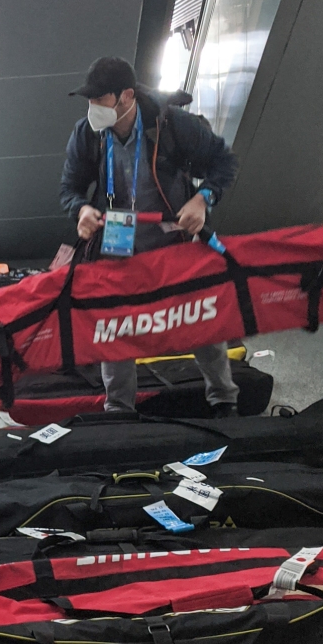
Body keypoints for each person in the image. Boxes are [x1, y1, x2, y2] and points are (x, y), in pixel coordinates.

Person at [59, 56, 240, 416]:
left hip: (173, 242)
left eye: (99, 99)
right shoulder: (88, 134)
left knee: (199, 317)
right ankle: (119, 409)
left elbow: (224, 163)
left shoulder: (173, 125)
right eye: (88, 100)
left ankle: (224, 400)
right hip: (117, 245)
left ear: (126, 96)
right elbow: (70, 188)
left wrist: (203, 199)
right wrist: (81, 210)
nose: (92, 107)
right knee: (116, 325)